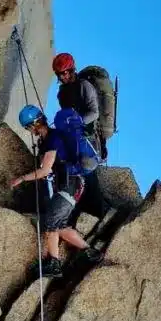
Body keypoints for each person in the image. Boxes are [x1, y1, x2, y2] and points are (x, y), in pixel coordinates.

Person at [10, 104, 102, 277]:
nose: (31, 130)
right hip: (70, 185)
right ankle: (90, 253)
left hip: (70, 184)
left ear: (32, 125)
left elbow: (45, 171)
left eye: (29, 127)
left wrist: (22, 178)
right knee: (58, 224)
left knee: (52, 221)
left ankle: (54, 264)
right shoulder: (49, 139)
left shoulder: (52, 139)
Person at [52, 52, 108, 219]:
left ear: (71, 70)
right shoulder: (61, 93)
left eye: (64, 73)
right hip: (71, 137)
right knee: (74, 172)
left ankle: (98, 212)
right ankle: (77, 211)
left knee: (88, 171)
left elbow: (94, 112)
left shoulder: (84, 86)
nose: (62, 77)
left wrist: (78, 122)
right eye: (59, 74)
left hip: (87, 137)